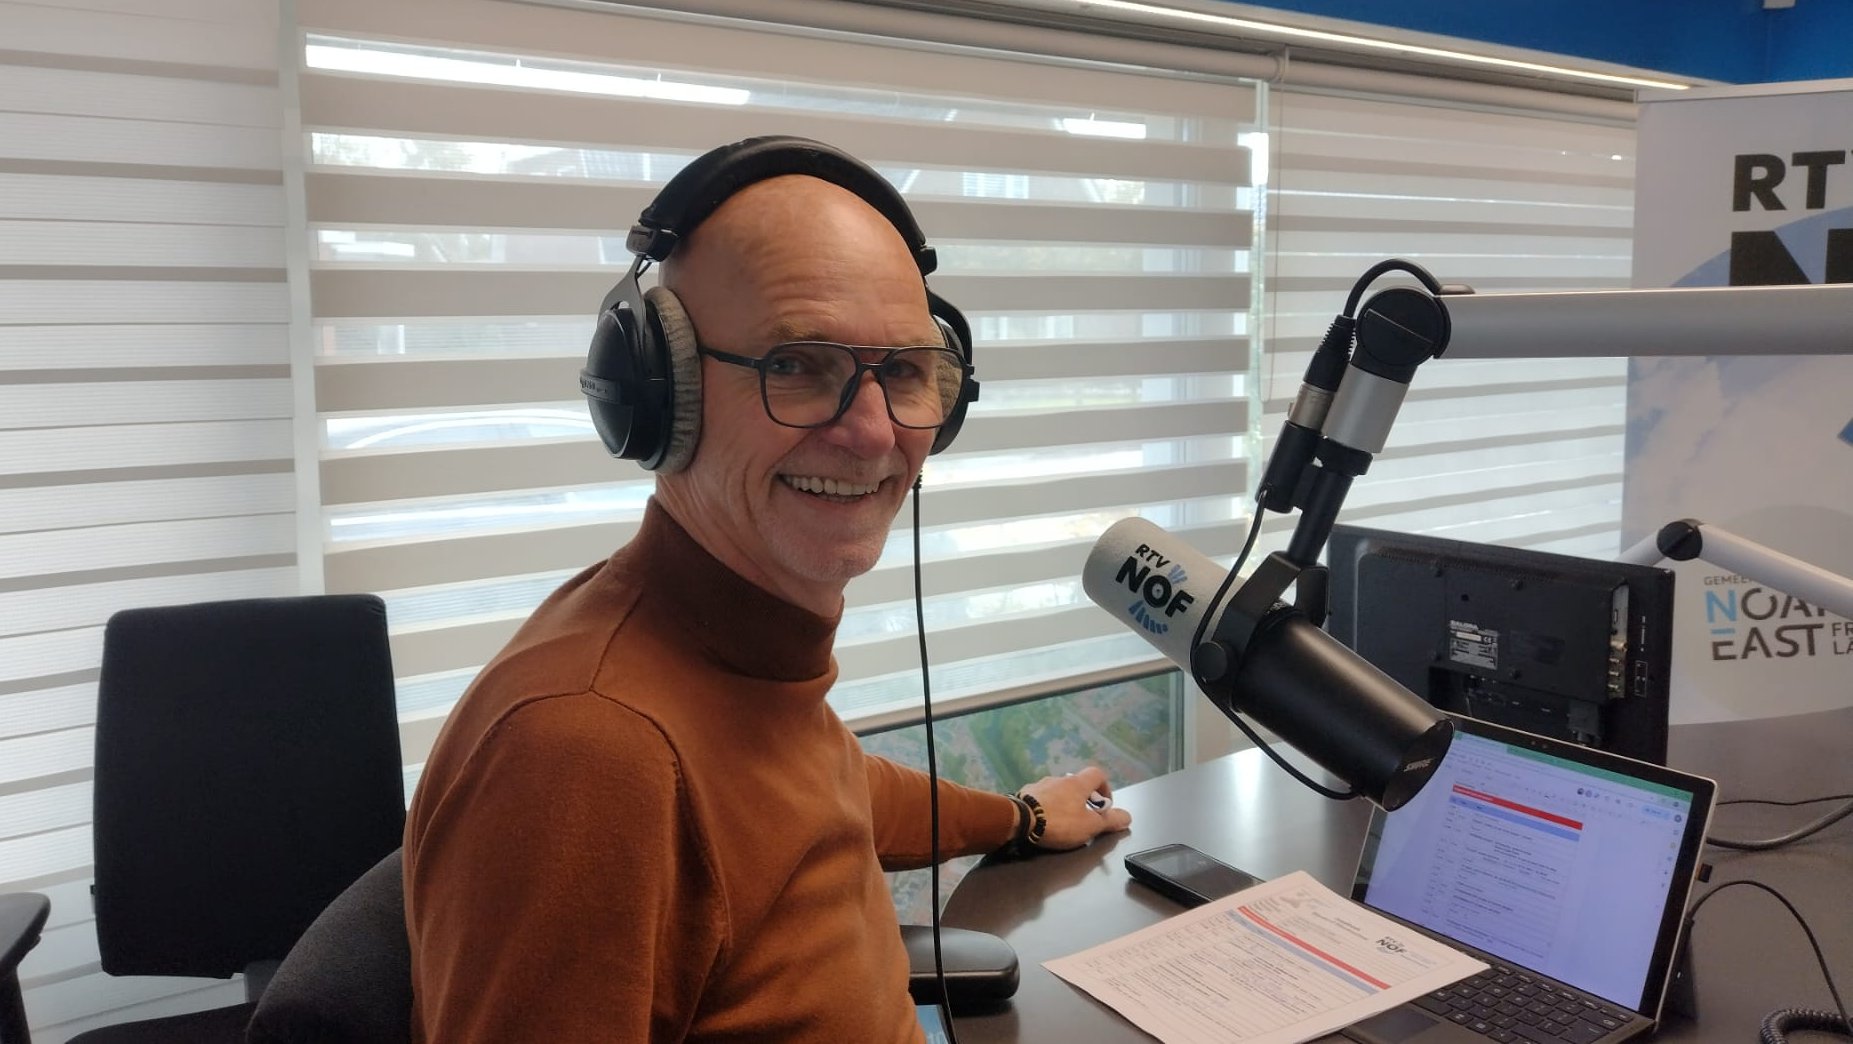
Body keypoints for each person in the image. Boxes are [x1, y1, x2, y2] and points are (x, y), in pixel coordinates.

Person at [402, 137, 1134, 1043]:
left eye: (905, 371)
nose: (872, 435)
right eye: (796, 364)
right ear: (658, 392)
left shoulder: (732, 659)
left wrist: (1018, 817)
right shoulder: (589, 752)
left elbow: (822, 785)